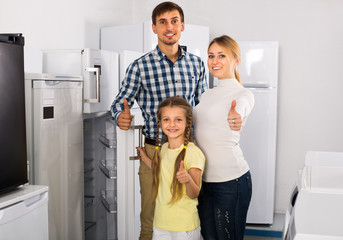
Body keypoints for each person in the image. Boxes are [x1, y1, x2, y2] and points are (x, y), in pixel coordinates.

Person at [110, 2, 209, 239]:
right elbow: (118, 104)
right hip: (154, 151)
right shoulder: (140, 67)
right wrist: (120, 116)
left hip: (188, 151)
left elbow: (204, 109)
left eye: (174, 21)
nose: (169, 27)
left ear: (182, 26)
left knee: (188, 212)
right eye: (162, 22)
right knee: (150, 219)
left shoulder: (197, 65)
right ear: (154, 28)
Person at [193, 35, 255, 240]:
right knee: (209, 237)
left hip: (231, 181)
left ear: (236, 60)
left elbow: (243, 107)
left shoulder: (242, 94)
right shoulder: (206, 95)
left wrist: (237, 117)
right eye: (211, 56)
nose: (215, 61)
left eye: (222, 55)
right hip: (204, 181)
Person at [136, 96, 205, 240]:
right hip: (161, 225)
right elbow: (159, 169)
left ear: (187, 122)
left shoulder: (193, 153)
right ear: (160, 122)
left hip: (184, 228)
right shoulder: (164, 148)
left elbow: (194, 193)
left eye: (178, 119)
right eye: (166, 119)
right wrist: (145, 158)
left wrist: (187, 179)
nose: (172, 124)